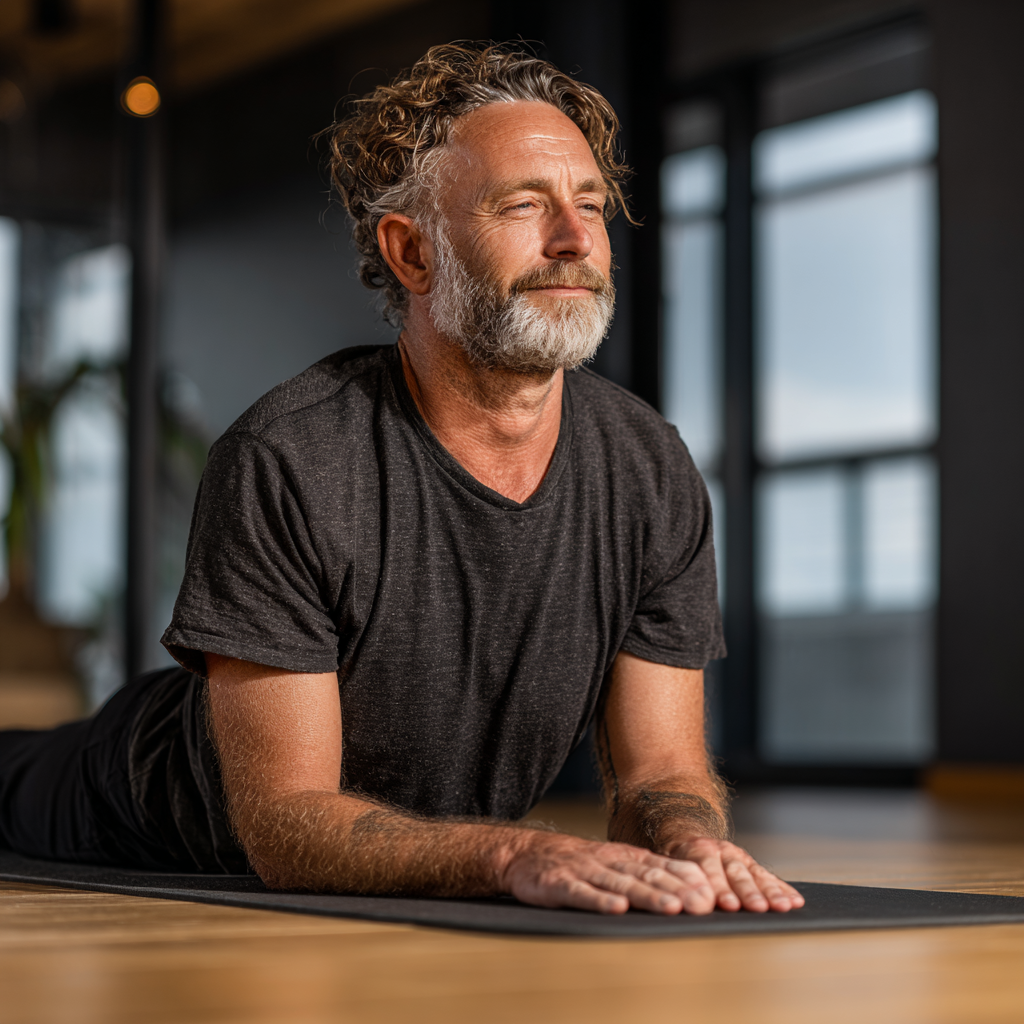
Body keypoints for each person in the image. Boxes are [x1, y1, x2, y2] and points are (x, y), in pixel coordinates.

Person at [0, 42, 803, 918]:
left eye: (589, 206)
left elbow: (663, 771)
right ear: (413, 254)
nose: (574, 240)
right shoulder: (291, 457)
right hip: (137, 808)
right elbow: (285, 821)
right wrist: (514, 852)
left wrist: (690, 841)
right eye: (523, 206)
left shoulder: (650, 469)